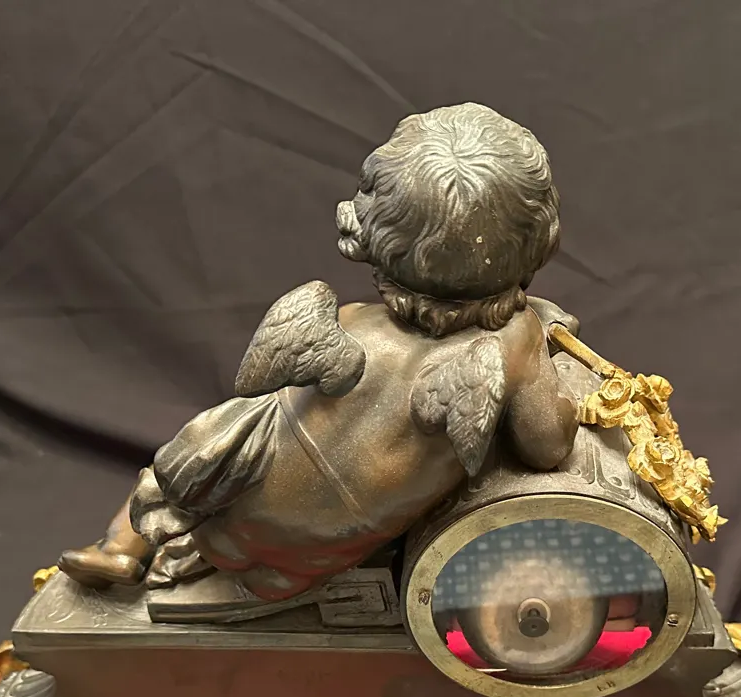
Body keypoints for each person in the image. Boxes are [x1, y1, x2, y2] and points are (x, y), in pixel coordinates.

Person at [59, 102, 582, 612]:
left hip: (235, 507)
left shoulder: (348, 320)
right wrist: (550, 368)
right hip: (312, 555)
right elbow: (546, 445)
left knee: (227, 428)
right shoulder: (513, 344)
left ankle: (122, 544)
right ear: (540, 240)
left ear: (373, 234)